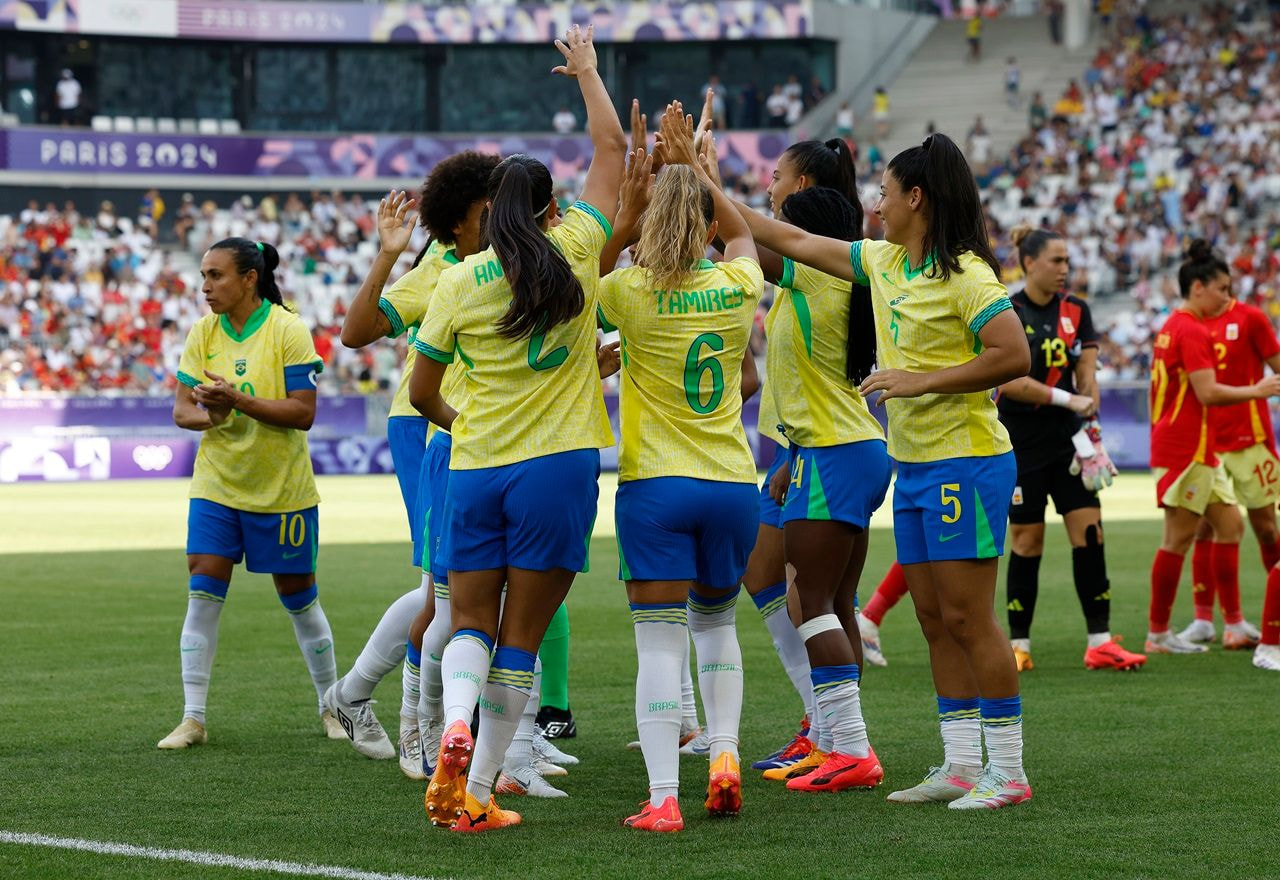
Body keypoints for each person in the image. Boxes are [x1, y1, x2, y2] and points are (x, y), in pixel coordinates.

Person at [721, 133, 1036, 810]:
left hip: (968, 460)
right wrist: (696, 172)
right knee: (929, 616)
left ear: (916, 199)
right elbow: (787, 236)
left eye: (886, 194)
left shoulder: (968, 275)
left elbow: (1012, 355)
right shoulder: (883, 262)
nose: (877, 203)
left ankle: (1006, 771)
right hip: (914, 462)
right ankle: (958, 764)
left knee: (969, 617)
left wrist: (922, 380)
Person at [410, 24, 625, 833]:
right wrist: (587, 73)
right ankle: (478, 790)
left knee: (467, 620)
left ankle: (453, 725)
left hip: (477, 466)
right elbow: (611, 151)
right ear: (548, 208)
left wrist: (464, 425)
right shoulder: (574, 249)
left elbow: (423, 388)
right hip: (558, 467)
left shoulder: (459, 281)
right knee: (522, 638)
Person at [598, 113, 762, 831]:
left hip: (656, 487)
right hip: (731, 482)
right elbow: (748, 234)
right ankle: (724, 753)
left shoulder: (629, 293)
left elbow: (590, 266)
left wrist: (631, 207)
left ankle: (664, 797)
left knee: (658, 642)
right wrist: (697, 171)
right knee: (718, 629)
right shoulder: (735, 286)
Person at [325, 152, 498, 781]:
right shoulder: (445, 270)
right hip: (429, 424)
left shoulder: (505, 260)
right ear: (461, 221)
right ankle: (411, 728)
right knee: (445, 584)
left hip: (473, 431)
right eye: (492, 206)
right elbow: (358, 330)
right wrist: (388, 254)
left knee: (458, 585)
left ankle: (359, 696)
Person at [720, 137, 867, 777]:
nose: (769, 185)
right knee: (785, 582)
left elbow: (740, 230)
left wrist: (697, 174)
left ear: (802, 190)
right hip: (815, 448)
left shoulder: (817, 268)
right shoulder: (823, 273)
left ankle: (845, 743)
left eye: (776, 176)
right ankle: (828, 730)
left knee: (813, 600)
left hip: (836, 449)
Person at [159, 238, 338, 749]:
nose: (205, 287)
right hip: (216, 482)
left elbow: (303, 413)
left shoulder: (288, 328)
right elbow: (182, 412)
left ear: (249, 279)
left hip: (281, 489)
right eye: (203, 276)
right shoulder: (202, 332)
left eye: (216, 276)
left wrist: (236, 399)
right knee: (203, 582)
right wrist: (214, 414)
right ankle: (193, 717)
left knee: (298, 594)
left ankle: (333, 706)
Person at [995, 227, 1146, 672]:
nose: (1065, 269)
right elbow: (1009, 381)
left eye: (1067, 261)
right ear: (1030, 263)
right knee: (1027, 540)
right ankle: (1019, 646)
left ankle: (1100, 641)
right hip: (1022, 443)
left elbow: (1086, 371)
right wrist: (1070, 399)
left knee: (1090, 533)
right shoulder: (1008, 309)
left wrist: (1091, 410)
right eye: (1056, 261)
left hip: (1068, 443)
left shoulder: (1077, 310)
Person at [1146, 241, 1280, 655]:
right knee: (1179, 539)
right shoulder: (1190, 329)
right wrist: (1256, 390)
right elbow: (1206, 392)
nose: (1228, 296)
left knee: (1232, 527)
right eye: (1222, 288)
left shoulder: (1175, 325)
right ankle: (1159, 633)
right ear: (1199, 286)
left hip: (1204, 448)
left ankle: (1234, 623)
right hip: (1187, 448)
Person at [1178, 289, 1280, 650]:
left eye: (1226, 285)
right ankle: (1205, 620)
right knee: (1204, 529)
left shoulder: (1251, 317)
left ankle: (1274, 615)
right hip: (1208, 441)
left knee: (1266, 529)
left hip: (1250, 440)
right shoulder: (1191, 323)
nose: (1221, 292)